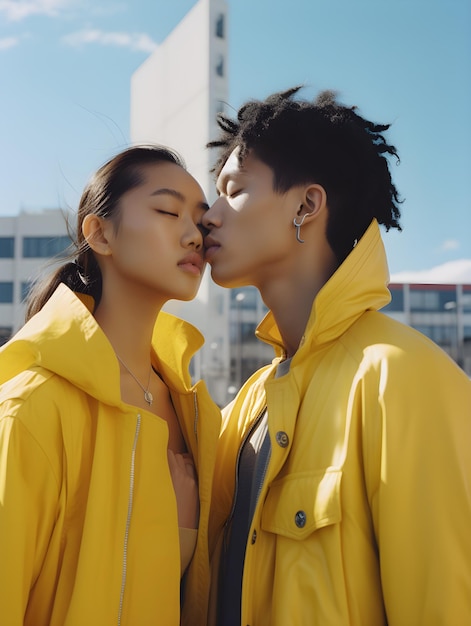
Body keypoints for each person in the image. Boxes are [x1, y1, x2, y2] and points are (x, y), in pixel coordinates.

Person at [203, 87, 471, 625]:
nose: (208, 216)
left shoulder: (399, 376)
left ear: (306, 205)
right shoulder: (250, 401)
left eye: (233, 191)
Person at [0, 145, 221, 626]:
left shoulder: (202, 418)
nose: (193, 236)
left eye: (202, 222)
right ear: (99, 233)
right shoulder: (31, 407)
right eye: (167, 211)